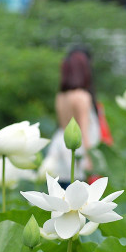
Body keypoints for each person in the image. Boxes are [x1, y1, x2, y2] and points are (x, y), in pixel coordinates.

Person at [42, 46, 102, 183]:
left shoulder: (61, 96)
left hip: (59, 148)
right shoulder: (82, 96)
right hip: (76, 152)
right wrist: (90, 158)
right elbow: (83, 131)